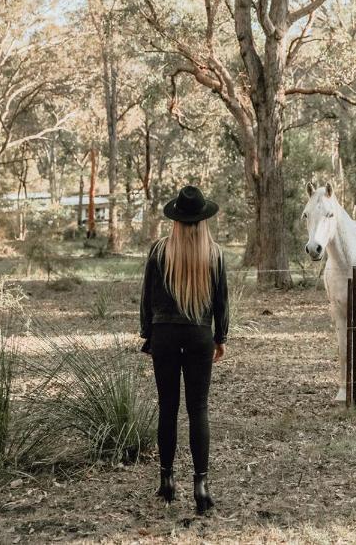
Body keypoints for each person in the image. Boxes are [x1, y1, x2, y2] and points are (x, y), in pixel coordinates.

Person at [140, 185, 229, 512]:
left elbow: (146, 299)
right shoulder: (214, 253)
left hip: (164, 334)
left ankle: (166, 482)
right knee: (198, 409)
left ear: (176, 219)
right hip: (199, 336)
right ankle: (201, 486)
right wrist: (221, 338)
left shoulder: (159, 251)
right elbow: (222, 302)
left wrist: (148, 334)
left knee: (167, 407)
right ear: (203, 219)